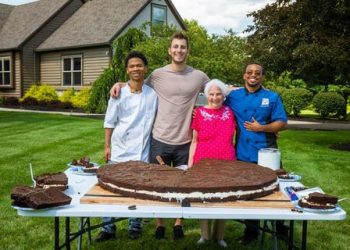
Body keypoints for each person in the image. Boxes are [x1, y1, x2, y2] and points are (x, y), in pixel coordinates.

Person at [110, 32, 209, 239]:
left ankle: (178, 222)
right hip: (160, 139)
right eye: (175, 47)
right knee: (157, 183)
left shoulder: (198, 76)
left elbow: (216, 92)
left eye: (182, 47)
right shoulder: (157, 75)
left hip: (185, 140)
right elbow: (135, 83)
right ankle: (159, 223)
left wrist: (202, 108)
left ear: (188, 51)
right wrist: (118, 84)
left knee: (182, 183)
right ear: (169, 50)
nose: (179, 50)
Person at [95, 51, 157, 242]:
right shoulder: (118, 92)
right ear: (127, 70)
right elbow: (109, 121)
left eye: (139, 65)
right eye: (132, 66)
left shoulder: (152, 93)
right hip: (120, 148)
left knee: (136, 190)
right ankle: (107, 227)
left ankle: (134, 225)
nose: (136, 69)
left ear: (145, 68)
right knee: (110, 188)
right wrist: (107, 146)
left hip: (142, 151)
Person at [225, 63, 288, 245]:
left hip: (267, 152)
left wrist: (263, 128)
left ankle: (280, 228)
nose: (254, 75)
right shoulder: (234, 96)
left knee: (275, 191)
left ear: (262, 77)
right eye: (250, 72)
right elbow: (217, 102)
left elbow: (282, 123)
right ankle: (251, 231)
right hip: (243, 154)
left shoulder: (272, 97)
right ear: (244, 76)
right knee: (250, 193)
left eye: (257, 73)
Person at [188, 79, 236, 248]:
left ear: (224, 96)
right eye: (211, 94)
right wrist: (190, 164)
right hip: (203, 161)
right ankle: (205, 235)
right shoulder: (199, 113)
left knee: (223, 198)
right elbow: (194, 141)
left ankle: (220, 235)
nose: (215, 97)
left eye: (218, 94)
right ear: (206, 95)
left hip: (226, 160)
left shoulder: (230, 112)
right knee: (203, 197)